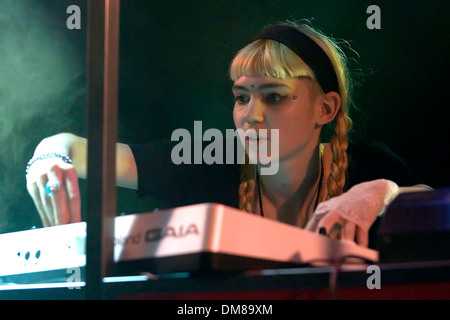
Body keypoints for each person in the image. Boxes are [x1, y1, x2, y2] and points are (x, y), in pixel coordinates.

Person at [24, 20, 430, 249]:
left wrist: (380, 190)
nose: (251, 116)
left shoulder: (368, 164)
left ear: (325, 109)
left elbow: (434, 204)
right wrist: (47, 158)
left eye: (273, 96)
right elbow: (72, 149)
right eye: (241, 97)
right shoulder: (207, 158)